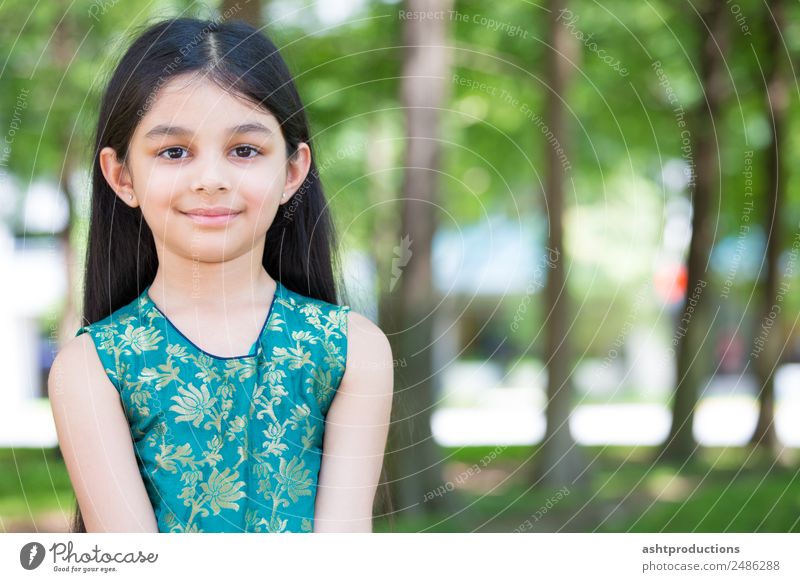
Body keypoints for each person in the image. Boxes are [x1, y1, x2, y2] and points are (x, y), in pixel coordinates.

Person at [47, 17, 394, 533]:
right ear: (122, 176)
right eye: (174, 152)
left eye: (245, 150)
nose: (211, 180)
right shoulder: (91, 368)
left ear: (292, 172)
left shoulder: (352, 350)